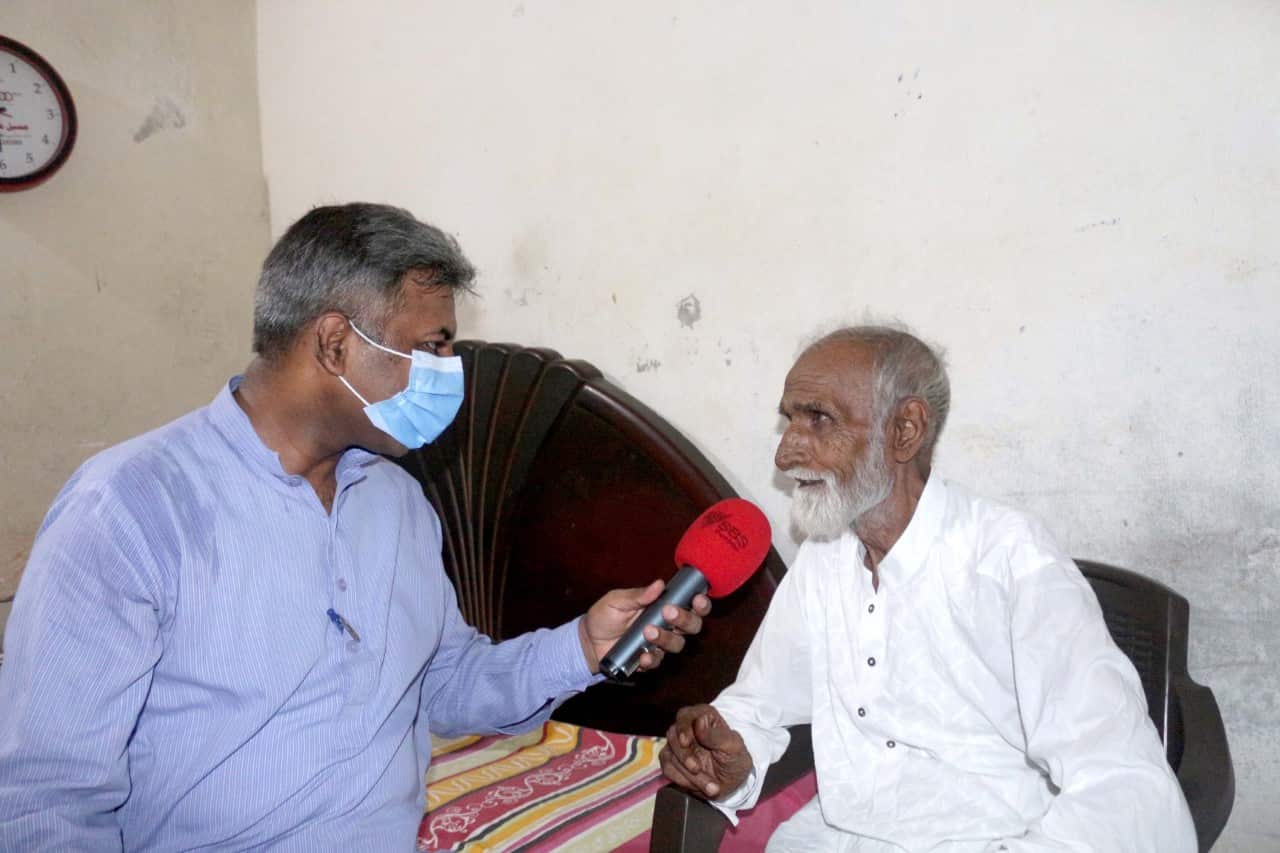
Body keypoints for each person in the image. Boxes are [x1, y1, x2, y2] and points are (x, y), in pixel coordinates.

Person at [0, 203, 711, 850]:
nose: (448, 371)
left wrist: (582, 645)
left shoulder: (395, 500)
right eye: (431, 345)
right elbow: (44, 799)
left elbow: (443, 681)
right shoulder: (130, 510)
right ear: (335, 344)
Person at [659, 325, 1196, 852]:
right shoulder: (824, 560)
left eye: (819, 419)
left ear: (906, 430)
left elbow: (1126, 786)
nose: (786, 454)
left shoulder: (1010, 562)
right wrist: (727, 758)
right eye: (790, 421)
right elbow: (760, 705)